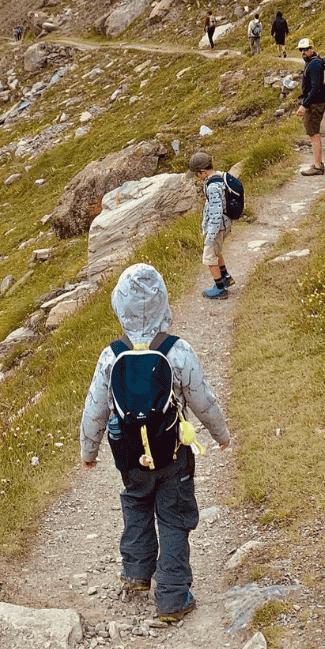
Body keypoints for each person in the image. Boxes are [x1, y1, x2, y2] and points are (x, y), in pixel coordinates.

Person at [80, 263, 231, 623]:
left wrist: (88, 451)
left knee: (136, 504)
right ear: (163, 303)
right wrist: (220, 435)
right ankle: (173, 598)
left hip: (130, 456)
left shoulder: (111, 355)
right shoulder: (177, 351)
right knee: (174, 519)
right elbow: (202, 399)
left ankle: (135, 573)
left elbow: (95, 409)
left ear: (119, 306)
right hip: (173, 453)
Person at [187, 151, 235, 299]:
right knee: (217, 251)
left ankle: (220, 288)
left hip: (217, 227)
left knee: (209, 257)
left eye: (197, 174)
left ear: (203, 171)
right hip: (224, 224)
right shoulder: (219, 178)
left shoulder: (212, 187)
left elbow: (216, 212)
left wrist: (210, 235)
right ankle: (226, 277)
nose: (197, 177)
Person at [296, 37, 325, 176]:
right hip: (314, 103)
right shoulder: (312, 62)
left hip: (315, 104)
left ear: (312, 49)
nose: (304, 52)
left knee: (313, 134)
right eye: (301, 50)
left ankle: (317, 166)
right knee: (313, 133)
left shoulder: (314, 65)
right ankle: (318, 162)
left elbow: (315, 88)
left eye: (306, 49)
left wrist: (304, 105)